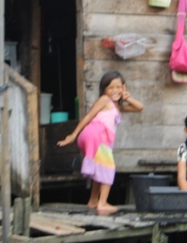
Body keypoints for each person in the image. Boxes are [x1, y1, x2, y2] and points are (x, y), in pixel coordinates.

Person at [58, 71, 143, 216]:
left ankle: (93, 201)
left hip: (94, 137)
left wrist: (127, 97)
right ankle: (102, 203)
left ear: (123, 87)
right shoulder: (104, 100)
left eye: (118, 87)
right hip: (95, 134)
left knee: (100, 168)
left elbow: (139, 107)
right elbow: (89, 116)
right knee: (108, 167)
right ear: (104, 90)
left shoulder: (118, 107)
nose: (115, 91)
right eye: (111, 88)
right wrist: (73, 135)